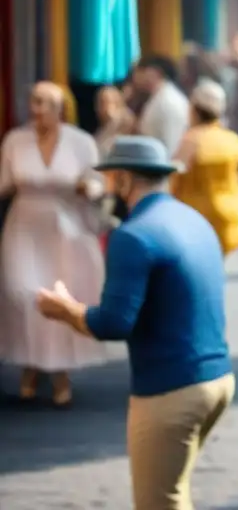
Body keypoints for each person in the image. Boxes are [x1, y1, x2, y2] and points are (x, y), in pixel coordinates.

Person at [36, 135, 235, 510]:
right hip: (218, 380)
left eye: (112, 178)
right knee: (175, 492)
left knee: (158, 502)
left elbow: (114, 323)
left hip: (171, 392)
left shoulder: (132, 235)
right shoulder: (193, 218)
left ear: (124, 180)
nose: (109, 186)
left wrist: (64, 308)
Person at [0, 81, 106, 406]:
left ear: (61, 108)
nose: (37, 109)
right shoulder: (15, 141)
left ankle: (59, 372)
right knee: (22, 293)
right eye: (34, 101)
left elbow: (99, 183)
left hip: (67, 228)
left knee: (59, 297)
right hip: (24, 225)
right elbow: (4, 184)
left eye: (44, 102)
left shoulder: (82, 142)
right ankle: (31, 362)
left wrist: (89, 189)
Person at [172, 80, 238, 256]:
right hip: (231, 214)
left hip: (199, 216)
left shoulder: (190, 140)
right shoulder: (233, 140)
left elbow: (174, 178)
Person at [134, 56, 190, 156]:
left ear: (154, 72)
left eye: (140, 71)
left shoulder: (169, 101)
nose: (135, 77)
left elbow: (171, 144)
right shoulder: (159, 96)